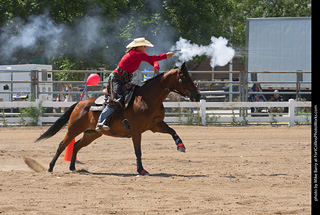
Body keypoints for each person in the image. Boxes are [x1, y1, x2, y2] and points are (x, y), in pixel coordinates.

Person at [96, 37, 176, 131]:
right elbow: (152, 58)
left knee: (133, 95)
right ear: (138, 47)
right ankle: (101, 122)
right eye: (144, 45)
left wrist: (156, 66)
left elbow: (152, 60)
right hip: (117, 78)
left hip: (124, 79)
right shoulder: (135, 54)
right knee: (116, 99)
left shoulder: (139, 54)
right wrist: (166, 55)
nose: (146, 47)